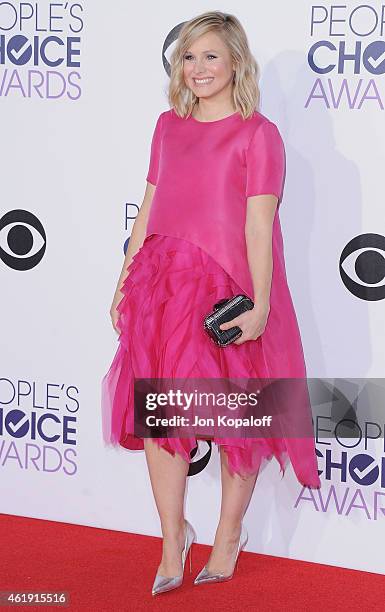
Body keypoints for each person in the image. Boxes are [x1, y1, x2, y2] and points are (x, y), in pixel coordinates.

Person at [101, 10, 321, 596]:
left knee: (236, 421)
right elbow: (148, 204)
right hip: (165, 287)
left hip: (230, 291)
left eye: (211, 56)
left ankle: (228, 535)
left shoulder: (258, 133)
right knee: (162, 417)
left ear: (235, 64)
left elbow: (259, 226)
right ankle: (173, 538)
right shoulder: (167, 125)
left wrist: (261, 307)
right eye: (189, 57)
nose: (198, 68)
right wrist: (124, 278)